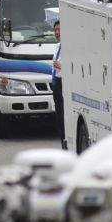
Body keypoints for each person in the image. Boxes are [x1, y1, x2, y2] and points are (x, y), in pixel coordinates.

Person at [52, 19, 66, 149]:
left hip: (63, 83)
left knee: (63, 116)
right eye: (55, 30)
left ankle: (65, 143)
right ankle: (62, 140)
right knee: (58, 117)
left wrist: (61, 65)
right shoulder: (57, 46)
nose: (56, 32)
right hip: (56, 83)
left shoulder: (68, 46)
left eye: (58, 29)